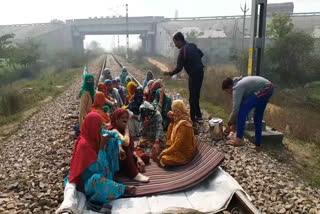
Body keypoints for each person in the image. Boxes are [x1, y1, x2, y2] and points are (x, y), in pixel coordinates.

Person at [65, 112, 136, 206]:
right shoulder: (84, 145)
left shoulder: (97, 134)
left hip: (102, 171)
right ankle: (122, 189)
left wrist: (119, 147)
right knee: (96, 180)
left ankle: (111, 179)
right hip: (87, 181)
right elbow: (97, 169)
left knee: (112, 141)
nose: (101, 128)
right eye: (99, 125)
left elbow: (114, 135)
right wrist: (102, 148)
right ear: (92, 126)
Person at [222, 76, 274, 152]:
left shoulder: (236, 88)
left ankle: (239, 140)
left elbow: (236, 110)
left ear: (230, 87)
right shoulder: (239, 85)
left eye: (227, 91)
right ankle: (258, 145)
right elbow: (239, 108)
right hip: (269, 88)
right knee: (257, 117)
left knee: (242, 111)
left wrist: (229, 125)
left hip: (265, 88)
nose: (229, 94)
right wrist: (234, 124)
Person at [164, 32, 204, 123]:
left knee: (192, 97)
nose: (175, 45)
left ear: (179, 40)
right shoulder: (193, 45)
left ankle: (193, 119)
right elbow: (201, 54)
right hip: (201, 71)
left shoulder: (183, 51)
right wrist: (194, 61)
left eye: (175, 42)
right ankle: (198, 115)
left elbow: (178, 68)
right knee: (196, 95)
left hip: (194, 74)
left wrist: (169, 73)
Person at [108, 109, 149, 183]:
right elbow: (125, 142)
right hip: (115, 160)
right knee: (125, 148)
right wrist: (127, 130)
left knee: (145, 157)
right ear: (116, 120)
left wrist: (138, 158)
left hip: (124, 158)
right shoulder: (113, 129)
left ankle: (128, 169)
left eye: (126, 118)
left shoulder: (123, 129)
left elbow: (132, 148)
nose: (125, 120)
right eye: (122, 118)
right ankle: (133, 174)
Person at [157, 100, 197, 167]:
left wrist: (163, 153)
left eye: (177, 111)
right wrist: (172, 120)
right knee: (170, 127)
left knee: (164, 159)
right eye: (174, 111)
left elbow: (176, 145)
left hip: (185, 153)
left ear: (182, 110)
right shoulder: (178, 120)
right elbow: (171, 134)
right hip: (179, 149)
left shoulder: (183, 125)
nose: (175, 113)